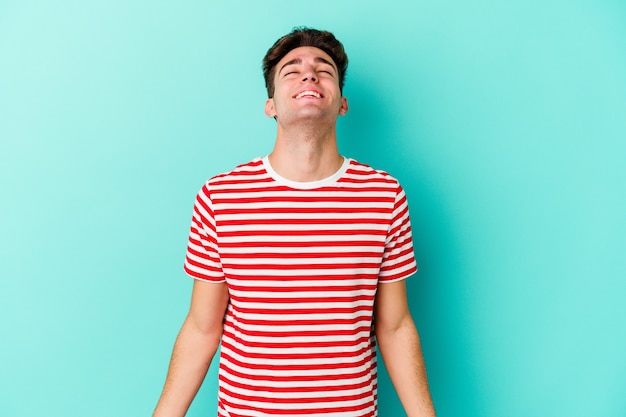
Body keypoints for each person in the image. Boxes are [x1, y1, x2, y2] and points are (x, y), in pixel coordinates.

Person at [153, 27, 436, 417]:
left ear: (342, 103)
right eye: (292, 70)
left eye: (324, 70)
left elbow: (395, 326)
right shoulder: (221, 196)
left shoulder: (384, 196)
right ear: (270, 105)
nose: (309, 75)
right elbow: (203, 328)